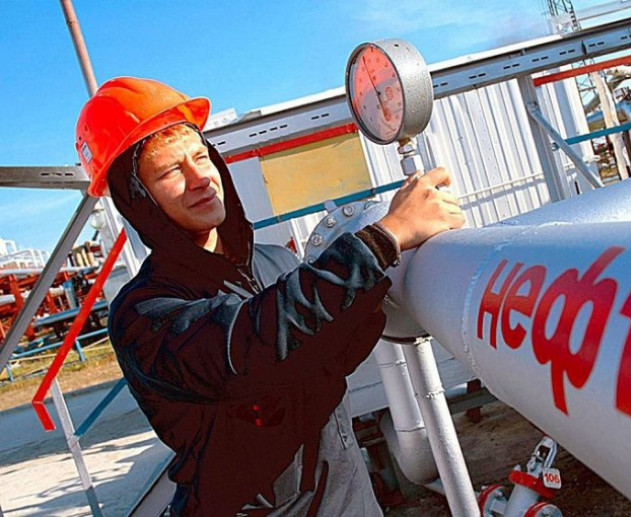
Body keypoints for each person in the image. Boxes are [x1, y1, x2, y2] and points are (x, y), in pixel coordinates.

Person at [75, 76, 465, 516]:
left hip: (349, 500)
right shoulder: (144, 313)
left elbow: (326, 355)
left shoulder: (275, 262)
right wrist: (384, 238)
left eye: (201, 157)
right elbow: (249, 348)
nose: (200, 178)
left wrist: (386, 278)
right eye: (170, 171)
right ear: (137, 199)